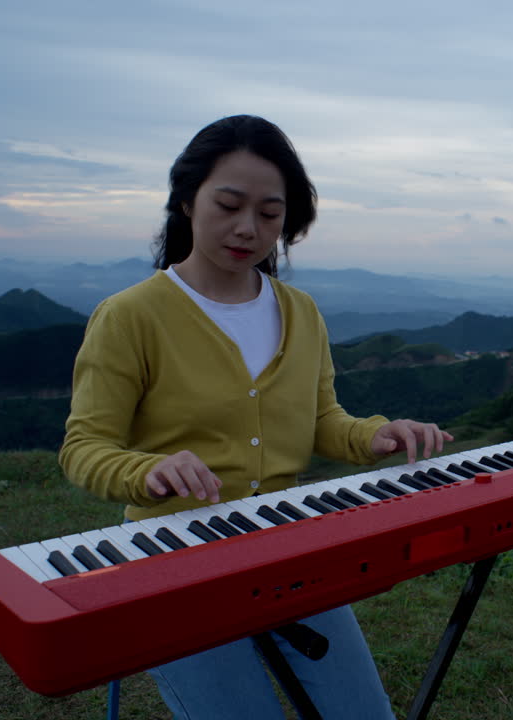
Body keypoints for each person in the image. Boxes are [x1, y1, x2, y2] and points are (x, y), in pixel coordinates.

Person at [58, 114, 452, 719]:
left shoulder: (301, 312)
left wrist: (376, 435)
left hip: (289, 543)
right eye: (229, 204)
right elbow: (84, 447)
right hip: (171, 558)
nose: (248, 229)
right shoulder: (130, 316)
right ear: (187, 200)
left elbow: (322, 420)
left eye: (270, 214)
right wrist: (149, 471)